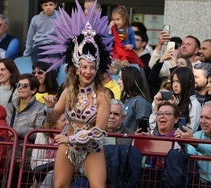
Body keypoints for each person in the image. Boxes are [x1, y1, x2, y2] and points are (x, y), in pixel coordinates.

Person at [40, 0, 112, 187]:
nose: (88, 71)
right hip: (67, 147)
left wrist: (70, 138)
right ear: (77, 68)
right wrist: (48, 108)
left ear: (97, 69)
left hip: (91, 148)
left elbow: (99, 131)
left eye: (92, 67)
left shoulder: (103, 95)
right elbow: (52, 117)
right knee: (59, 186)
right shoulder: (68, 91)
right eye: (84, 67)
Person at [150, 67, 201, 133]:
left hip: (180, 141)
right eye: (173, 81)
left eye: (178, 81)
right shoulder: (171, 100)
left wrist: (174, 108)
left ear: (188, 81)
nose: (175, 85)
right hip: (163, 139)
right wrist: (156, 106)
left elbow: (190, 131)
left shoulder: (194, 104)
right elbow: (153, 127)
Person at [175, 102, 211, 186]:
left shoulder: (194, 138)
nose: (203, 121)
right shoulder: (196, 136)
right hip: (200, 184)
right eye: (201, 117)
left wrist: (195, 143)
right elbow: (189, 157)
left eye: (208, 118)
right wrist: (182, 145)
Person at [30, 113, 67, 187]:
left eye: (68, 120)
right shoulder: (42, 136)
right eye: (64, 120)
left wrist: (48, 162)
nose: (67, 123)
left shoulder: (70, 137)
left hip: (65, 175)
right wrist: (56, 161)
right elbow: (34, 163)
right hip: (42, 176)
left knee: (52, 174)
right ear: (53, 125)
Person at [118, 66, 152, 131]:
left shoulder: (140, 102)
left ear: (129, 79)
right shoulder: (124, 100)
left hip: (131, 140)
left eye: (120, 78)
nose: (118, 82)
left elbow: (142, 130)